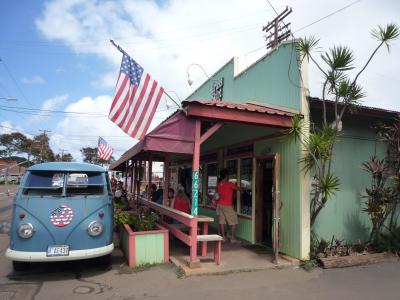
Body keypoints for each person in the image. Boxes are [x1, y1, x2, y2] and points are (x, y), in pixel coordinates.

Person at [217, 168, 240, 243]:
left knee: (222, 221)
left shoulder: (219, 184)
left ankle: (224, 237)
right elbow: (238, 189)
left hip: (220, 204)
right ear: (226, 176)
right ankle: (232, 238)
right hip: (227, 205)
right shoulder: (229, 184)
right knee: (234, 221)